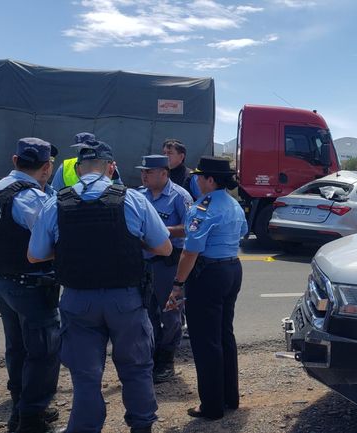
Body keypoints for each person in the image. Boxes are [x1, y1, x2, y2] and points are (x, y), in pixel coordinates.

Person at [28, 141, 172, 433]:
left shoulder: (56, 201)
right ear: (111, 167)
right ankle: (142, 425)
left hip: (78, 300)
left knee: (85, 375)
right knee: (135, 368)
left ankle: (85, 427)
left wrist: (71, 247)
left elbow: (35, 255)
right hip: (126, 300)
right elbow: (165, 249)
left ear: (79, 169)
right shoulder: (133, 199)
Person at [0, 138, 61, 433]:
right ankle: (31, 418)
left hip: (1, 281)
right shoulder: (31, 199)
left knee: (17, 348)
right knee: (44, 352)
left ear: (15, 160)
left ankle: (20, 408)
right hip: (31, 285)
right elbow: (49, 239)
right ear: (47, 168)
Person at [165, 156, 247, 420]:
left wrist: (178, 284)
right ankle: (229, 398)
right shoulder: (234, 204)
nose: (196, 181)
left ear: (210, 180)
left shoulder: (203, 207)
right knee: (224, 334)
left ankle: (211, 406)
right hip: (232, 268)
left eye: (200, 177)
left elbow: (190, 252)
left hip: (208, 273)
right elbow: (242, 232)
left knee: (205, 341)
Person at [135, 155, 193, 383]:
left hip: (169, 264)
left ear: (163, 173)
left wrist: (160, 230)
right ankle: (152, 355)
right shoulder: (139, 196)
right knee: (146, 313)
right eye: (143, 172)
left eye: (148, 172)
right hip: (145, 264)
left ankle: (166, 359)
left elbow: (190, 228)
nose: (144, 176)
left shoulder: (180, 196)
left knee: (170, 314)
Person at [51, 132, 123, 191]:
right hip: (74, 205)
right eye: (79, 147)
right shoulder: (65, 166)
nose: (81, 149)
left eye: (85, 147)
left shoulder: (108, 164)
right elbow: (55, 191)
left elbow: (119, 188)